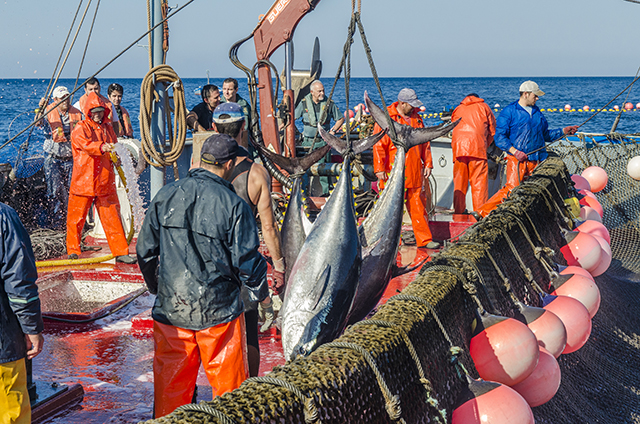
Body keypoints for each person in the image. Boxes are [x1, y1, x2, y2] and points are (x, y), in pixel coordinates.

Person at [136, 133, 272, 417]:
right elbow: (247, 261)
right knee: (229, 401)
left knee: (169, 399)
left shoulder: (166, 195)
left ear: (199, 160)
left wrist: (157, 287)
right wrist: (262, 297)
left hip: (172, 313)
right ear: (230, 164)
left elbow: (145, 252)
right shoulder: (234, 205)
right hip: (219, 316)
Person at [211, 102, 283, 377]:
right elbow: (269, 227)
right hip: (244, 263)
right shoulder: (255, 172)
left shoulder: (199, 167)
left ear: (213, 128)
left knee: (215, 331)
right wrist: (278, 266)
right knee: (249, 327)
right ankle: (248, 386)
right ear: (244, 128)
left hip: (209, 259)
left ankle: (219, 387)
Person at [476, 81, 578, 218]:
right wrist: (514, 151)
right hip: (517, 160)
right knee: (512, 189)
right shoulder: (509, 112)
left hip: (537, 159)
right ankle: (482, 213)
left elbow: (545, 134)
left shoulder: (537, 113)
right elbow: (499, 136)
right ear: (526, 94)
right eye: (535, 96)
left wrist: (563, 131)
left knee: (533, 191)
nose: (537, 98)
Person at [66, 92, 136, 264]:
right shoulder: (80, 128)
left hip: (104, 181)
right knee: (76, 218)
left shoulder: (108, 128)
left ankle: (120, 251)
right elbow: (85, 145)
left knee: (113, 218)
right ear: (89, 112)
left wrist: (118, 157)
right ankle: (73, 250)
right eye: (94, 111)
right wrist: (102, 146)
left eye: (100, 111)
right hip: (84, 182)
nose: (97, 114)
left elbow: (115, 146)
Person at [373, 88, 439, 249]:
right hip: (392, 173)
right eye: (411, 105)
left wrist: (428, 163)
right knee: (389, 208)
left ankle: (424, 239)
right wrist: (379, 168)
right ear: (402, 104)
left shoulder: (417, 118)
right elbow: (379, 144)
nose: (413, 108)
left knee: (418, 206)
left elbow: (425, 143)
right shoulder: (387, 119)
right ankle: (384, 240)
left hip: (415, 170)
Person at [0, 202, 44, 424]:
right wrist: (31, 328)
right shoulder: (3, 216)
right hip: (3, 345)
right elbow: (19, 280)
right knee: (10, 413)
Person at [39, 86, 83, 225]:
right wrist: (40, 109)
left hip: (70, 159)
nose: (65, 100)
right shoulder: (48, 111)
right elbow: (38, 122)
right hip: (53, 159)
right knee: (54, 190)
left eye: (67, 97)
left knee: (72, 190)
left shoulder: (77, 113)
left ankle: (71, 219)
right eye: (62, 98)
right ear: (55, 99)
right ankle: (56, 220)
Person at [294, 80, 345, 195]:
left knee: (324, 171)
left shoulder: (329, 104)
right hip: (307, 144)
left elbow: (341, 119)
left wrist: (333, 131)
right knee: (304, 170)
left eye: (323, 90)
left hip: (323, 143)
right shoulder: (303, 104)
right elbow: (293, 118)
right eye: (319, 91)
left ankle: (326, 193)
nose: (322, 93)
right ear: (312, 92)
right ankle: (304, 193)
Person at [450, 93, 496, 214]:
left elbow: (453, 126)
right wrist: (485, 145)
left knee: (460, 184)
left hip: (459, 149)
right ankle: (480, 213)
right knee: (479, 184)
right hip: (477, 149)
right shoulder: (484, 107)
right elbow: (492, 130)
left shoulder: (458, 108)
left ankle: (459, 212)